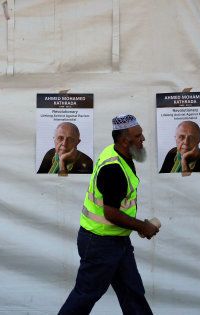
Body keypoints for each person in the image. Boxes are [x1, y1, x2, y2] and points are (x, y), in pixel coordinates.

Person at [59, 114, 159, 315]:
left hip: (116, 241)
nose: (143, 139)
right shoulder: (113, 168)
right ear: (124, 141)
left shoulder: (115, 152)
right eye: (138, 136)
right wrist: (143, 227)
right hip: (99, 243)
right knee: (85, 295)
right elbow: (111, 213)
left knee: (133, 293)